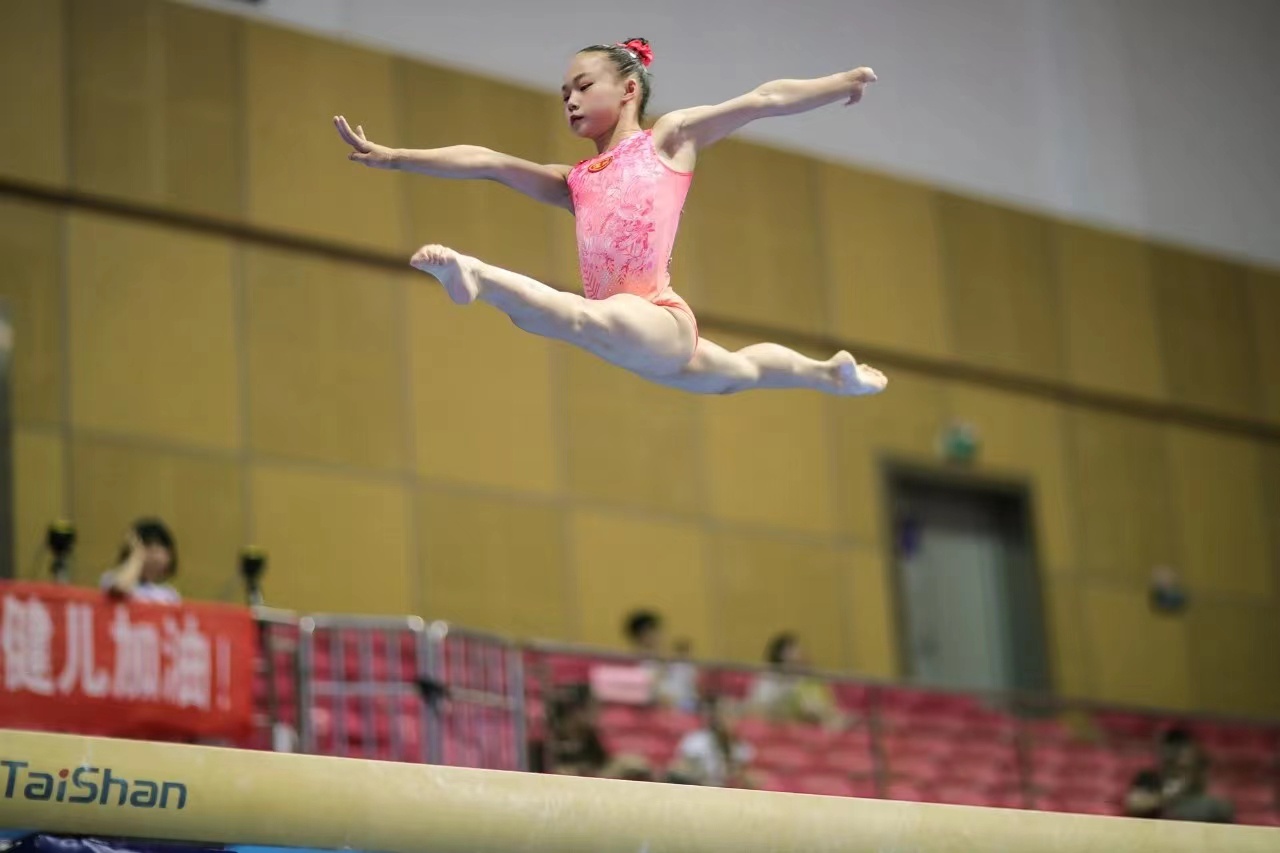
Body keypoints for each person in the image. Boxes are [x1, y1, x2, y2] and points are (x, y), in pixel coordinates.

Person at [334, 38, 888, 397]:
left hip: (655, 317)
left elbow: (762, 99)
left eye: (582, 86)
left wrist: (838, 84)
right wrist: (396, 157)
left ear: (628, 89)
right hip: (636, 340)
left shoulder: (668, 139)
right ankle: (829, 374)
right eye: (564, 95)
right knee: (740, 374)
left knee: (571, 318)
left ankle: (476, 274)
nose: (570, 101)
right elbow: (487, 162)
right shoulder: (576, 181)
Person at [747, 632, 847, 730]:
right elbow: (760, 706)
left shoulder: (804, 676)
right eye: (794, 648)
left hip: (801, 718)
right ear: (782, 654)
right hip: (775, 718)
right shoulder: (769, 676)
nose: (800, 651)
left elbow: (820, 701)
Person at [99, 517, 181, 604]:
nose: (154, 556)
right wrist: (137, 555)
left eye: (159, 549)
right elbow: (120, 587)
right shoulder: (112, 578)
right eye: (148, 548)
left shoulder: (169, 595)